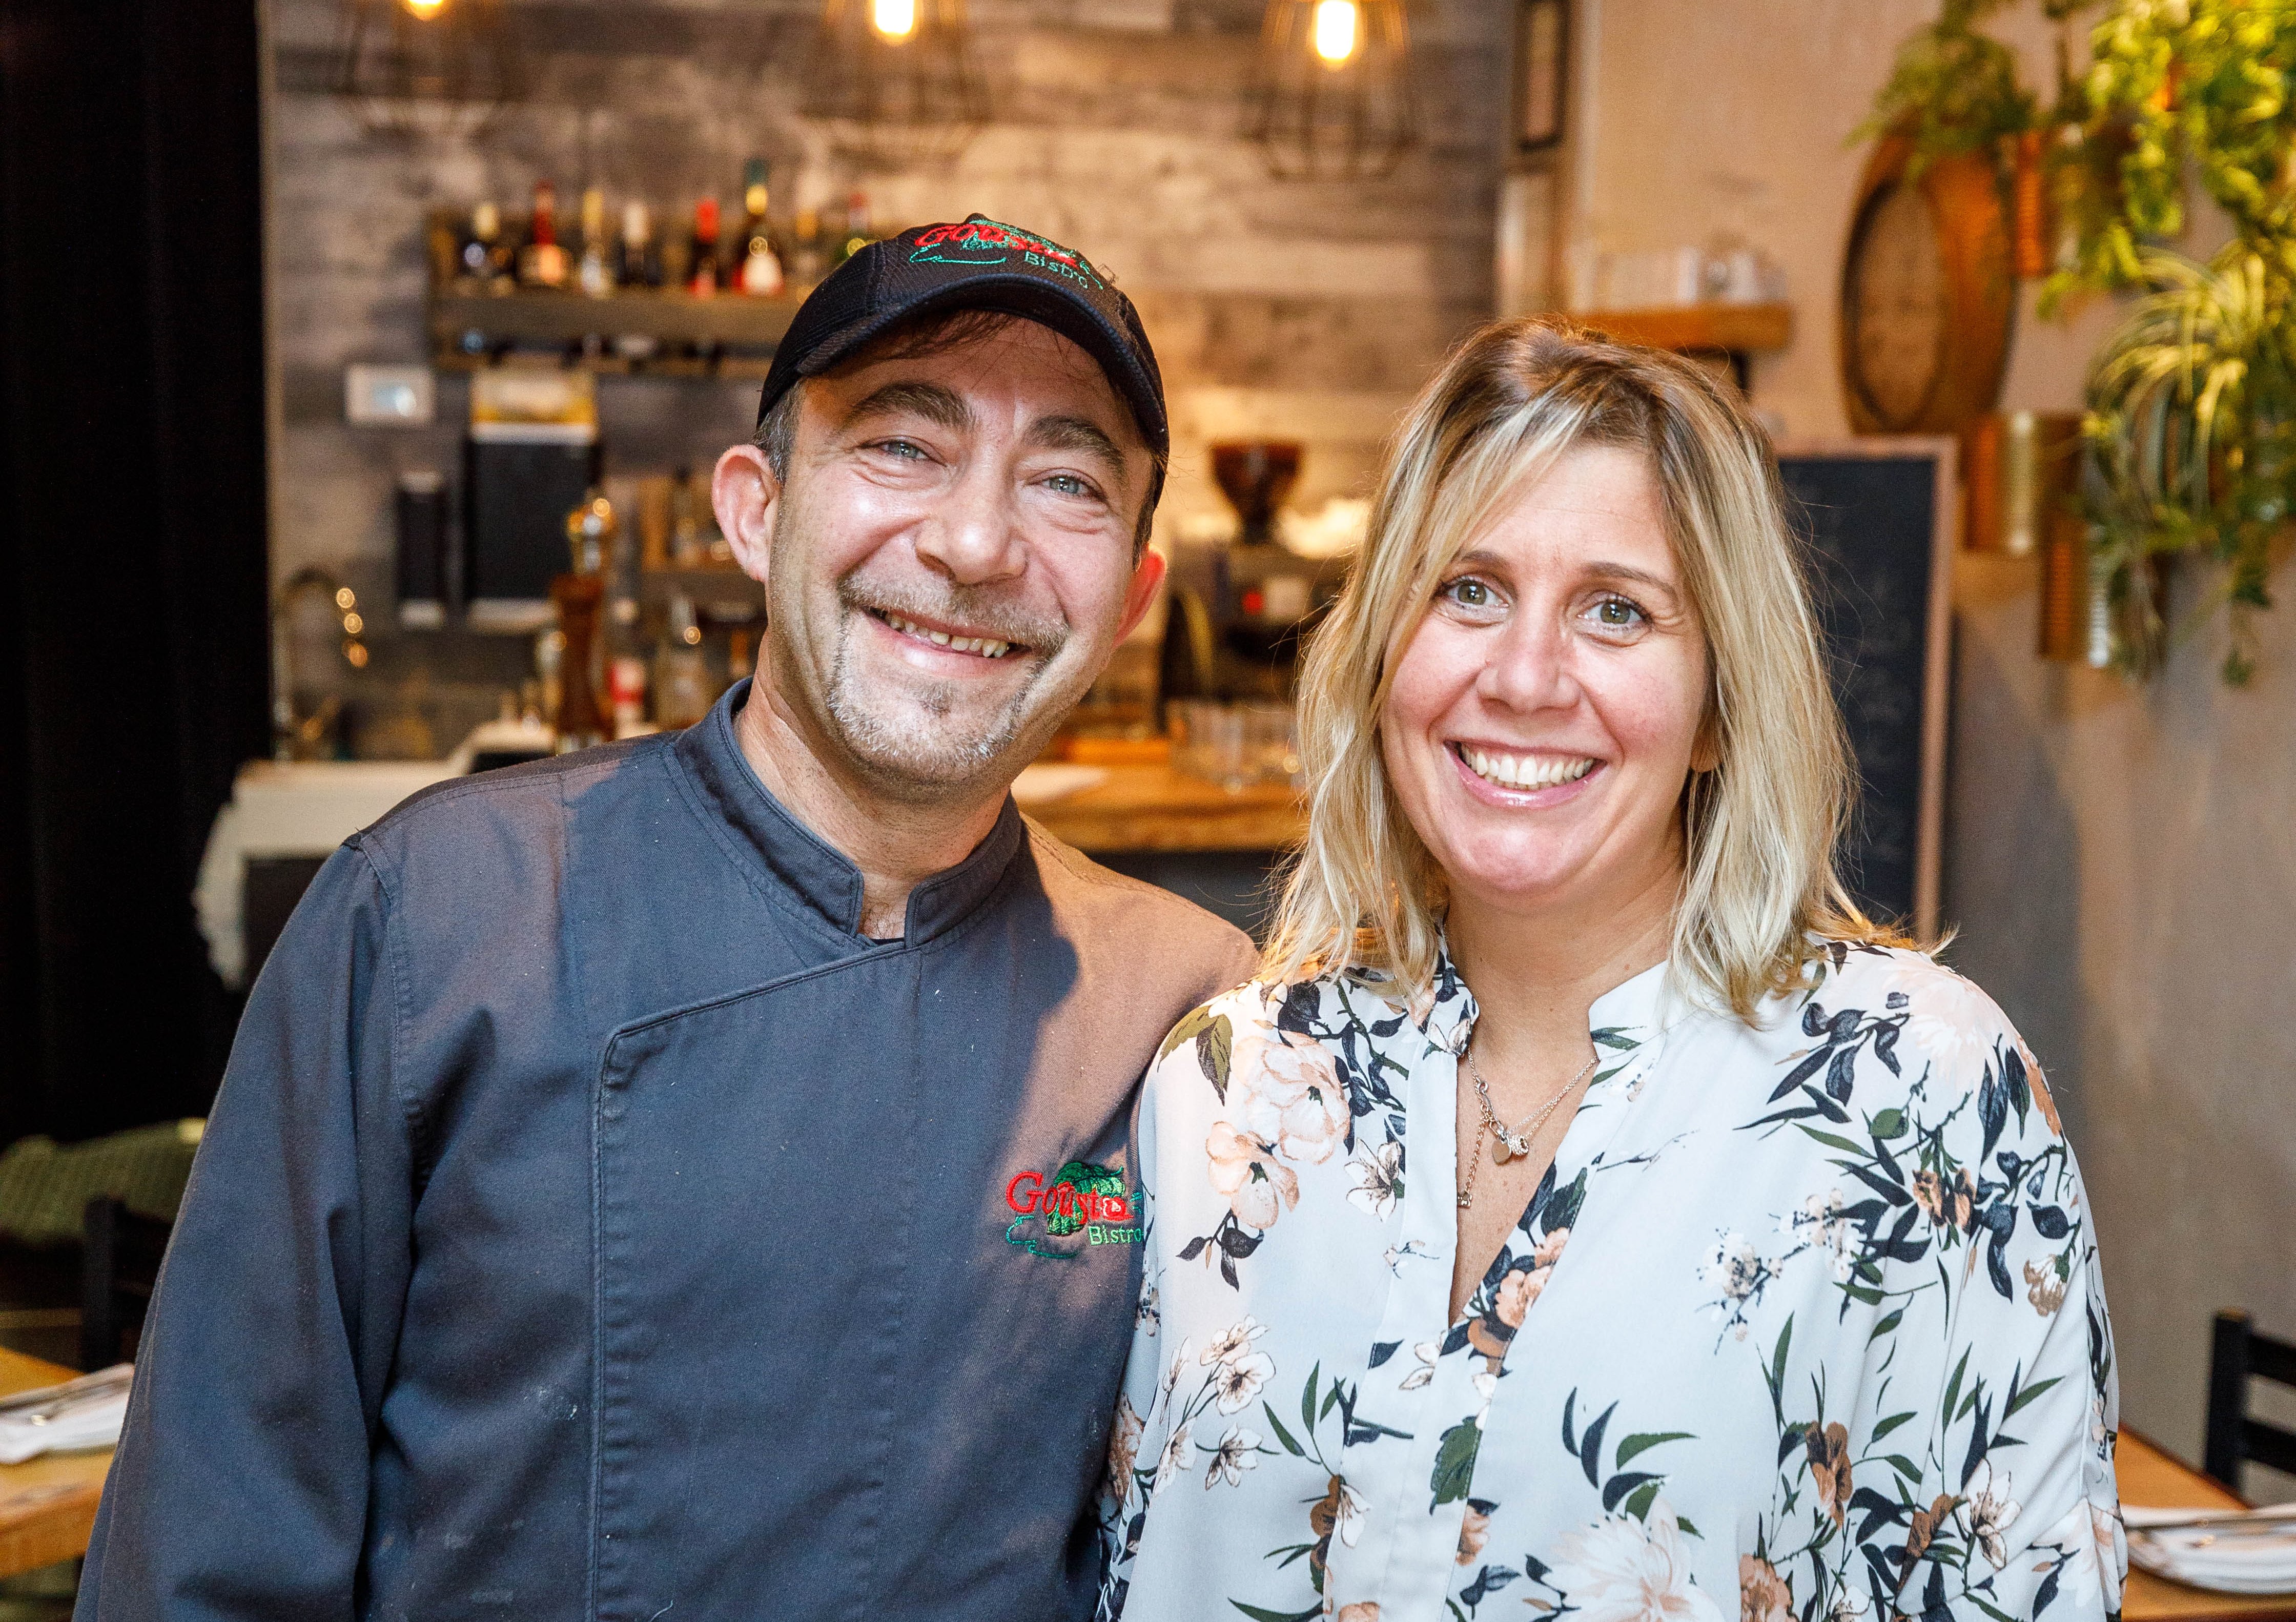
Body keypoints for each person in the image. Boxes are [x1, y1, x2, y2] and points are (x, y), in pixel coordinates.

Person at [78, 215, 1256, 1621]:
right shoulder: (435, 919)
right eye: (901, 444)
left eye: (1065, 478)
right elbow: (210, 1549)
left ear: (1128, 596)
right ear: (755, 509)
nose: (975, 539)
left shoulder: (1187, 1012)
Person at [1099, 321, 2125, 1622]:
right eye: (1465, 589)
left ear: (1714, 710)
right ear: (1379, 658)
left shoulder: (1917, 1094)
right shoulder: (1223, 1085)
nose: (1523, 675)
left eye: (1615, 609)